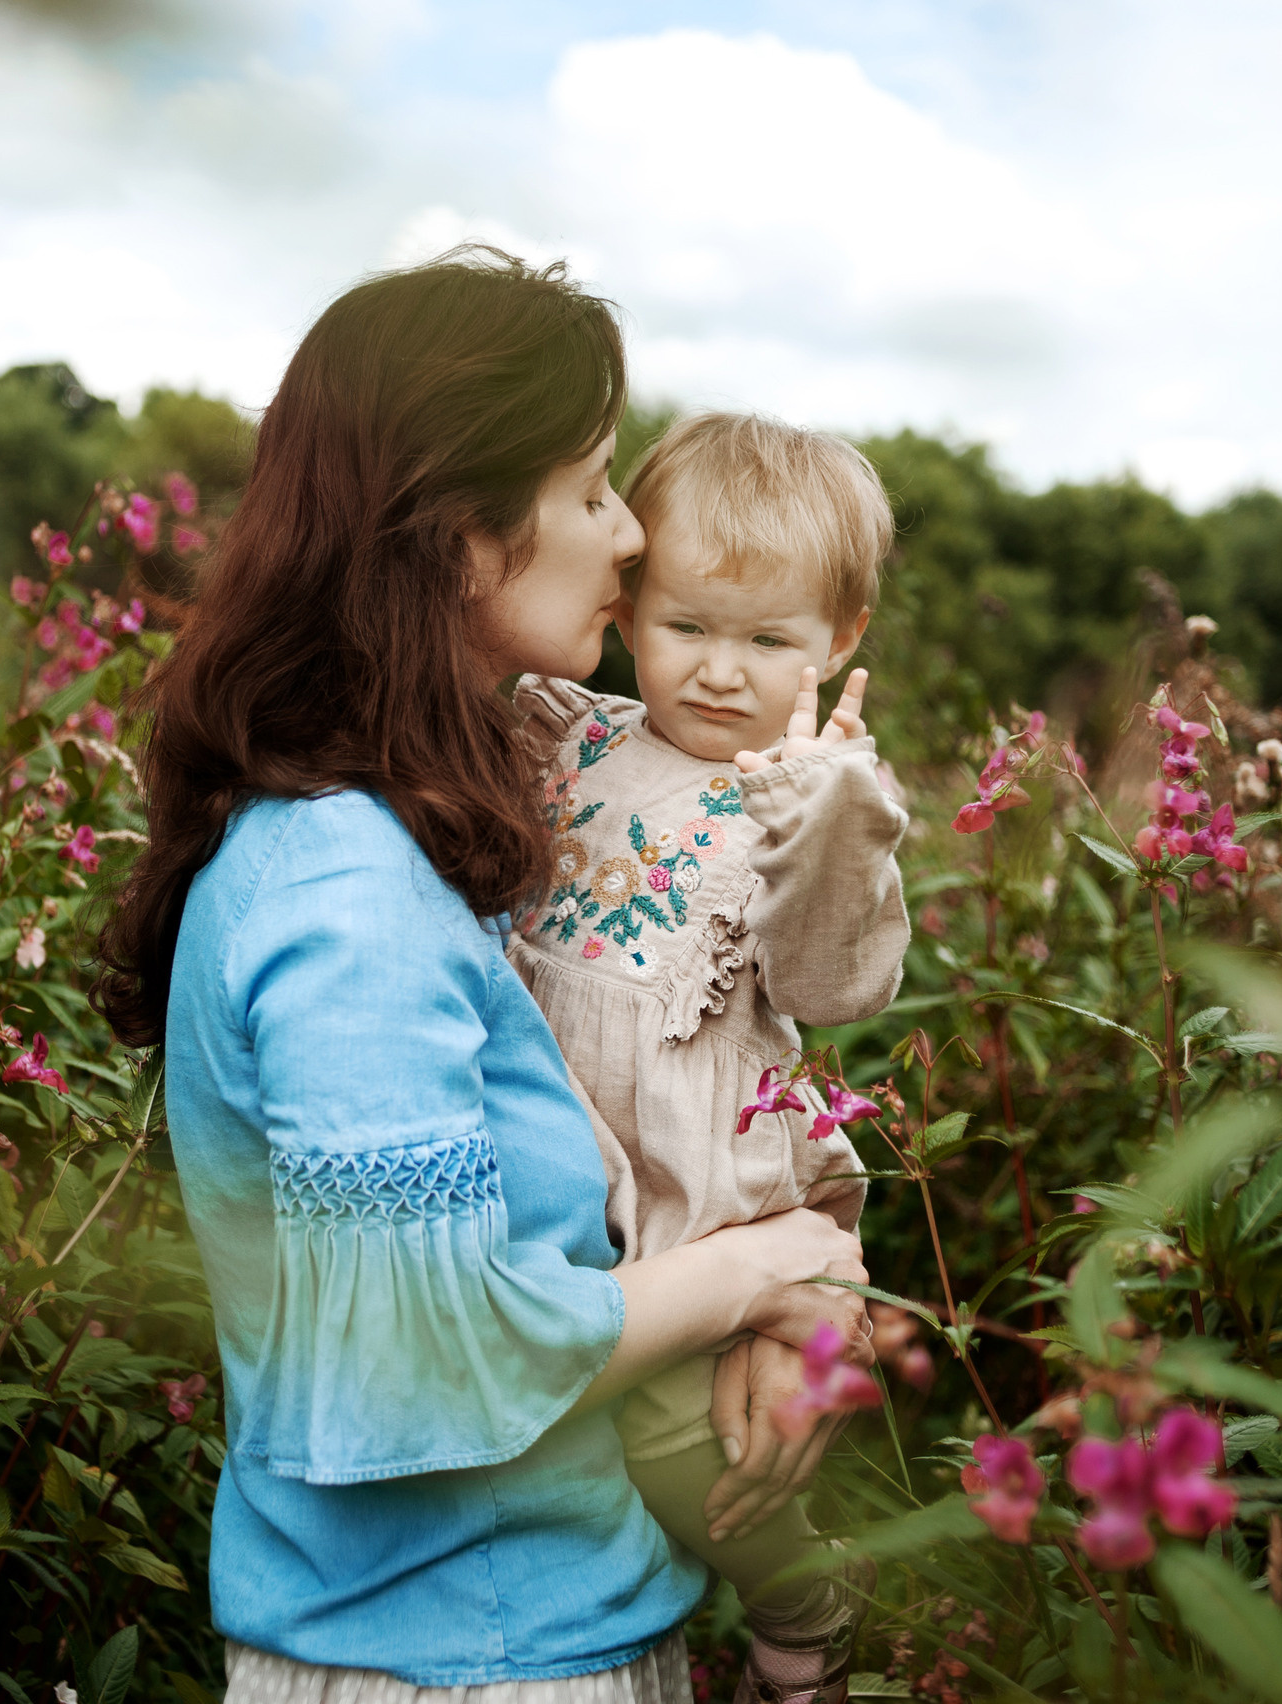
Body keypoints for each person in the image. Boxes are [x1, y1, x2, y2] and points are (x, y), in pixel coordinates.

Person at [96, 249, 872, 1704]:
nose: (634, 534)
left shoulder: (390, 835)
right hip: (467, 1658)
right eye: (590, 487)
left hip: (515, 1625)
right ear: (456, 536)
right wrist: (763, 1269)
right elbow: (426, 1364)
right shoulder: (348, 903)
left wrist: (778, 1302)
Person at [507, 411, 910, 1704]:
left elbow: (838, 982)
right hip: (566, 1158)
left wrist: (836, 824)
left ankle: (801, 1608)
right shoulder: (572, 743)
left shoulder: (799, 802)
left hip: (701, 1191)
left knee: (704, 1452)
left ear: (838, 641)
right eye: (689, 627)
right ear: (630, 612)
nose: (723, 673)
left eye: (770, 641)